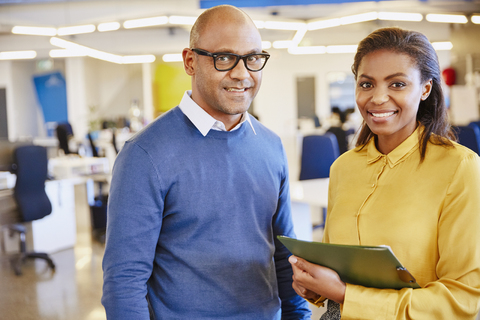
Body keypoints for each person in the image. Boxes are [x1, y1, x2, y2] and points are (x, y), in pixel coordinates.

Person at [101, 5, 311, 320]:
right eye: (224, 58)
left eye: (253, 58)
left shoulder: (271, 146)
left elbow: (284, 258)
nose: (242, 74)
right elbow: (124, 282)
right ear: (190, 61)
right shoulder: (144, 154)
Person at [289, 27, 480, 319]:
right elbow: (335, 264)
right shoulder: (344, 167)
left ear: (426, 89)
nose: (378, 98)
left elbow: (462, 299)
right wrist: (312, 283)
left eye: (397, 84)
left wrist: (345, 294)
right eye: (366, 84)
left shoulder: (460, 168)